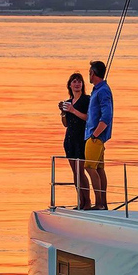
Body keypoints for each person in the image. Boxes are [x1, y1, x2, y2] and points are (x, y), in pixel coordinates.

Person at [58, 72, 91, 209]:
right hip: (70, 139)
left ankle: (87, 201)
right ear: (70, 85)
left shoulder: (86, 100)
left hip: (81, 138)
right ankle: (80, 201)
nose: (77, 84)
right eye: (74, 82)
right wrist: (64, 112)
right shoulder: (68, 102)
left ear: (82, 84)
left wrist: (72, 110)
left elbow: (88, 118)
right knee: (75, 172)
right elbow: (65, 123)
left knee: (81, 171)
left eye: (79, 81)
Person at [85, 60, 113, 210]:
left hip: (95, 136)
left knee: (90, 167)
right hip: (95, 136)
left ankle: (99, 203)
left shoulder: (102, 91)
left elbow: (106, 116)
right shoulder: (97, 89)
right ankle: (103, 203)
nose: (88, 75)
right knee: (99, 168)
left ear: (93, 73)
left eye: (89, 72)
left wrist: (95, 135)